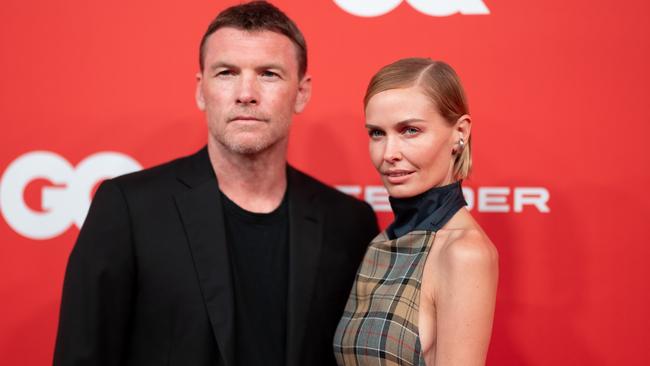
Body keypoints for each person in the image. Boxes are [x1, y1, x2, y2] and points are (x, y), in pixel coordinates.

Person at [53, 2, 379, 366]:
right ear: (201, 89)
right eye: (226, 73)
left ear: (301, 93)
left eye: (269, 74)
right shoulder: (130, 208)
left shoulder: (349, 223)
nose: (246, 93)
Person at [333, 58, 499, 365]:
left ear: (459, 133)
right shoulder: (383, 241)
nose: (389, 154)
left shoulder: (463, 252)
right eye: (377, 134)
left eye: (410, 130)